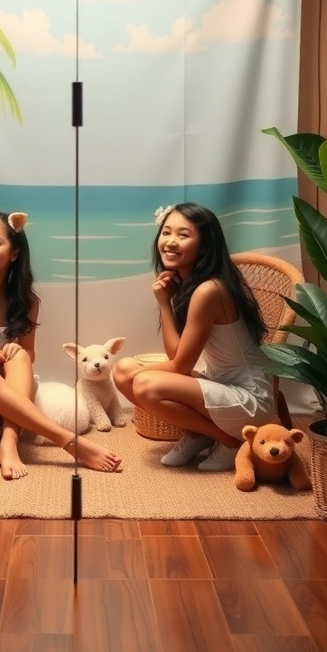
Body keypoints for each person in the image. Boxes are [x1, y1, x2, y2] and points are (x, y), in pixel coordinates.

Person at [0, 209, 122, 479]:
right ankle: (68, 441)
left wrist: (17, 349)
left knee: (21, 356)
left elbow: (29, 352)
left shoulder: (27, 302)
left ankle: (8, 442)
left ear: (14, 253)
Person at [112, 202, 275, 471]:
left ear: (205, 244)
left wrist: (138, 376)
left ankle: (228, 441)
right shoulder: (190, 285)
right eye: (166, 232)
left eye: (183, 235)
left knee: (141, 382)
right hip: (221, 386)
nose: (170, 241)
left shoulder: (209, 290)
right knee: (123, 369)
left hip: (249, 400)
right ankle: (198, 436)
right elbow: (176, 356)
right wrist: (165, 303)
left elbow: (181, 366)